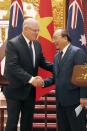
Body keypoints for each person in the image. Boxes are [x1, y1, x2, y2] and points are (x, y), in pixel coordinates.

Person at [2, 18, 53, 131]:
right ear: (25, 29)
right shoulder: (13, 44)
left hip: (29, 91)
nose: (37, 33)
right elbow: (13, 66)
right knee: (12, 122)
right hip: (14, 90)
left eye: (38, 30)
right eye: (34, 30)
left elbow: (42, 62)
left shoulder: (37, 44)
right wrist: (31, 79)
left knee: (27, 122)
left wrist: (60, 68)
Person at [39, 29, 87, 131]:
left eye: (55, 38)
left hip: (75, 102)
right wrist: (43, 82)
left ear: (65, 38)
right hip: (60, 103)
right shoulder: (56, 57)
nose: (53, 41)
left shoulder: (77, 52)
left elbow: (83, 76)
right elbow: (56, 77)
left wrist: (84, 97)